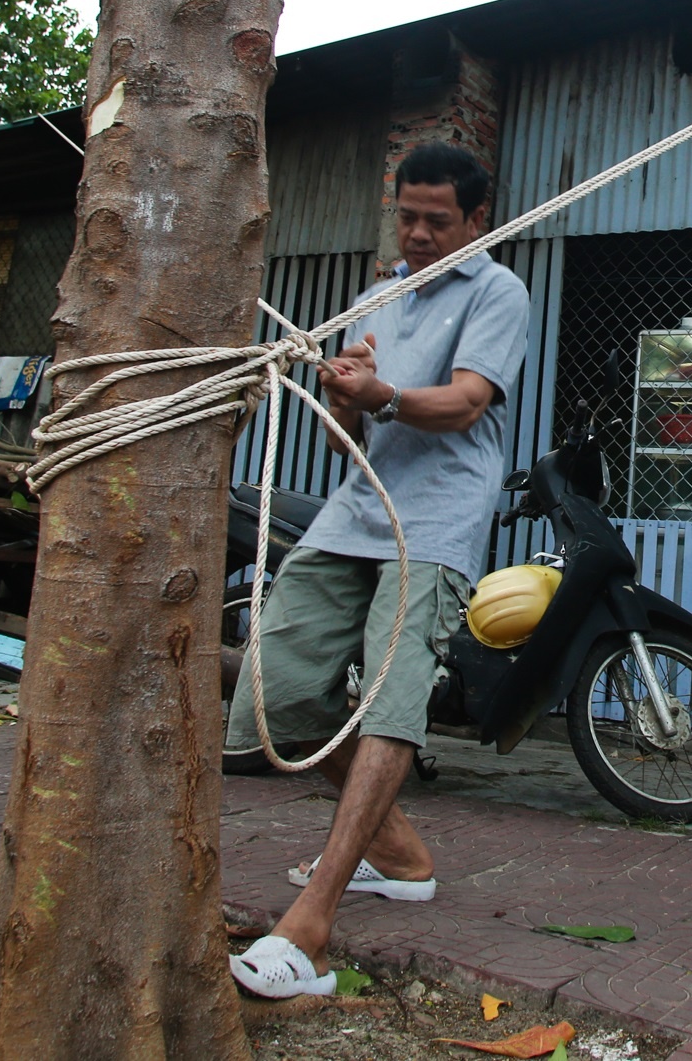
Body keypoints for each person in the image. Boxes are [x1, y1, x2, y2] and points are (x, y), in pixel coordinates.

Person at [227, 142, 530, 1000]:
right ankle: (396, 853)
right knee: (274, 691)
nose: (420, 233)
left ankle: (310, 930)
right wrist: (346, 396)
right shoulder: (375, 298)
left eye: (438, 219)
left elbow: (466, 402)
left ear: (476, 219)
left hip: (435, 523)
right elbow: (345, 436)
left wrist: (380, 393)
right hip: (353, 512)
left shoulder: (498, 291)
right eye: (408, 217)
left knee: (392, 701)